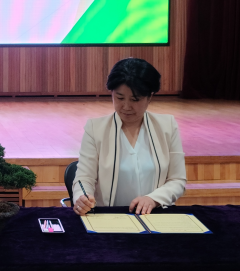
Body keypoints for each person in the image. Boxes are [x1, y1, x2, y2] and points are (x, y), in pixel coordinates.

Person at [73, 58, 186, 216]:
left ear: (149, 97)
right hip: (109, 219)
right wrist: (82, 198)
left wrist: (153, 199)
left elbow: (177, 180)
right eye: (120, 98)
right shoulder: (95, 129)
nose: (126, 106)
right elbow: (84, 178)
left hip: (155, 217)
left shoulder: (167, 126)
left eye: (135, 99)